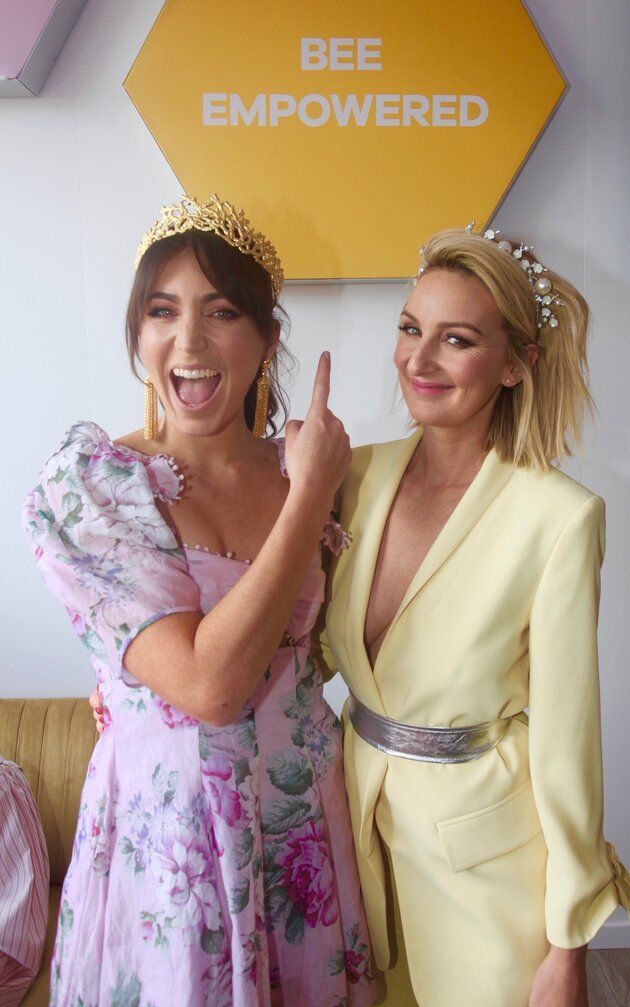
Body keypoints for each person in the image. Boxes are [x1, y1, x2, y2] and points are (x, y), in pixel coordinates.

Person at [23, 195, 376, 1007]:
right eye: (162, 311)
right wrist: (309, 497)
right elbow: (208, 688)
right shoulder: (94, 485)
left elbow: (324, 647)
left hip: (299, 830)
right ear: (138, 332)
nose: (188, 342)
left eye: (221, 312)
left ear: (266, 338)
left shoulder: (308, 468)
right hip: (170, 846)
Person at [322, 228, 630, 1007]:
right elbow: (300, 651)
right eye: (410, 328)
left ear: (512, 364)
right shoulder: (353, 473)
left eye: (455, 340)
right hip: (354, 838)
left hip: (488, 870)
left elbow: (569, 739)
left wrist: (568, 942)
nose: (418, 360)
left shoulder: (559, 518)